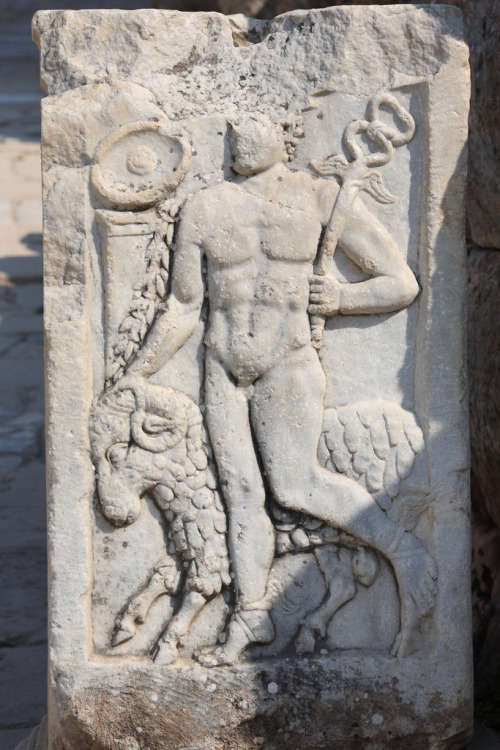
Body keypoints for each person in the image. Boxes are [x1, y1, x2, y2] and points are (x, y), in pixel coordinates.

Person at [126, 113, 437, 664]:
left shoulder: (319, 197)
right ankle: (251, 620)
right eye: (235, 131)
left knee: (295, 485)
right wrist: (138, 371)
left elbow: (401, 282)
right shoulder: (205, 207)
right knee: (241, 494)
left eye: (258, 126)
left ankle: (402, 550)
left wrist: (342, 299)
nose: (243, 134)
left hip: (287, 363)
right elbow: (183, 304)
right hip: (222, 366)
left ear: (286, 137)